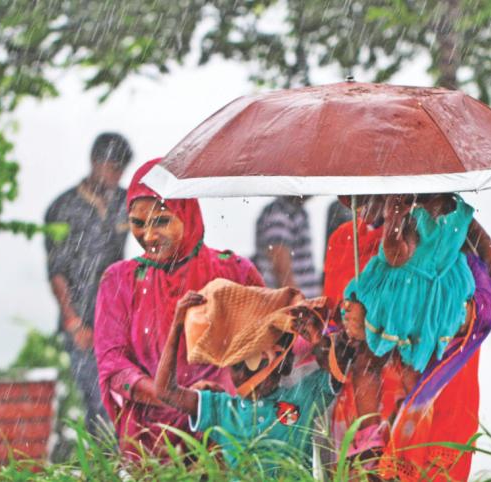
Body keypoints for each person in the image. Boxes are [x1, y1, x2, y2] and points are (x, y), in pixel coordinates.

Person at [93, 158, 264, 457]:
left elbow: (271, 347)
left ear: (187, 213)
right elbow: (113, 366)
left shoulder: (233, 272)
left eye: (161, 221)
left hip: (224, 438)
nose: (148, 236)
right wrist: (176, 397)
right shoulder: (119, 281)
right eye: (137, 223)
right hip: (150, 448)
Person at [330, 193, 491, 481]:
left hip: (438, 419)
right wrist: (348, 321)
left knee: (413, 386)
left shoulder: (457, 242)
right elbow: (337, 322)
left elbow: (483, 314)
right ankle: (375, 439)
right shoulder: (346, 241)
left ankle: (401, 437)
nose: (363, 211)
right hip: (357, 430)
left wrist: (377, 321)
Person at [153, 282, 352, 473]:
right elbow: (164, 391)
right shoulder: (222, 410)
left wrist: (319, 338)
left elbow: (340, 364)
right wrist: (177, 326)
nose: (242, 374)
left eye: (253, 362)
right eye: (236, 365)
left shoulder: (302, 396)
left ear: (281, 363)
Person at [44, 132, 133, 434]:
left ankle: (125, 457)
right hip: (82, 319)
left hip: (119, 318)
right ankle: (105, 458)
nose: (116, 175)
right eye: (112, 167)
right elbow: (56, 271)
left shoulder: (125, 202)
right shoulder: (63, 208)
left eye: (121, 169)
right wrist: (73, 321)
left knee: (127, 398)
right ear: (96, 162)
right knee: (99, 401)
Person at [254, 197, 320, 298]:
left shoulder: (298, 212)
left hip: (303, 302)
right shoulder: (278, 215)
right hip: (290, 303)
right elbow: (281, 270)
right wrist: (298, 303)